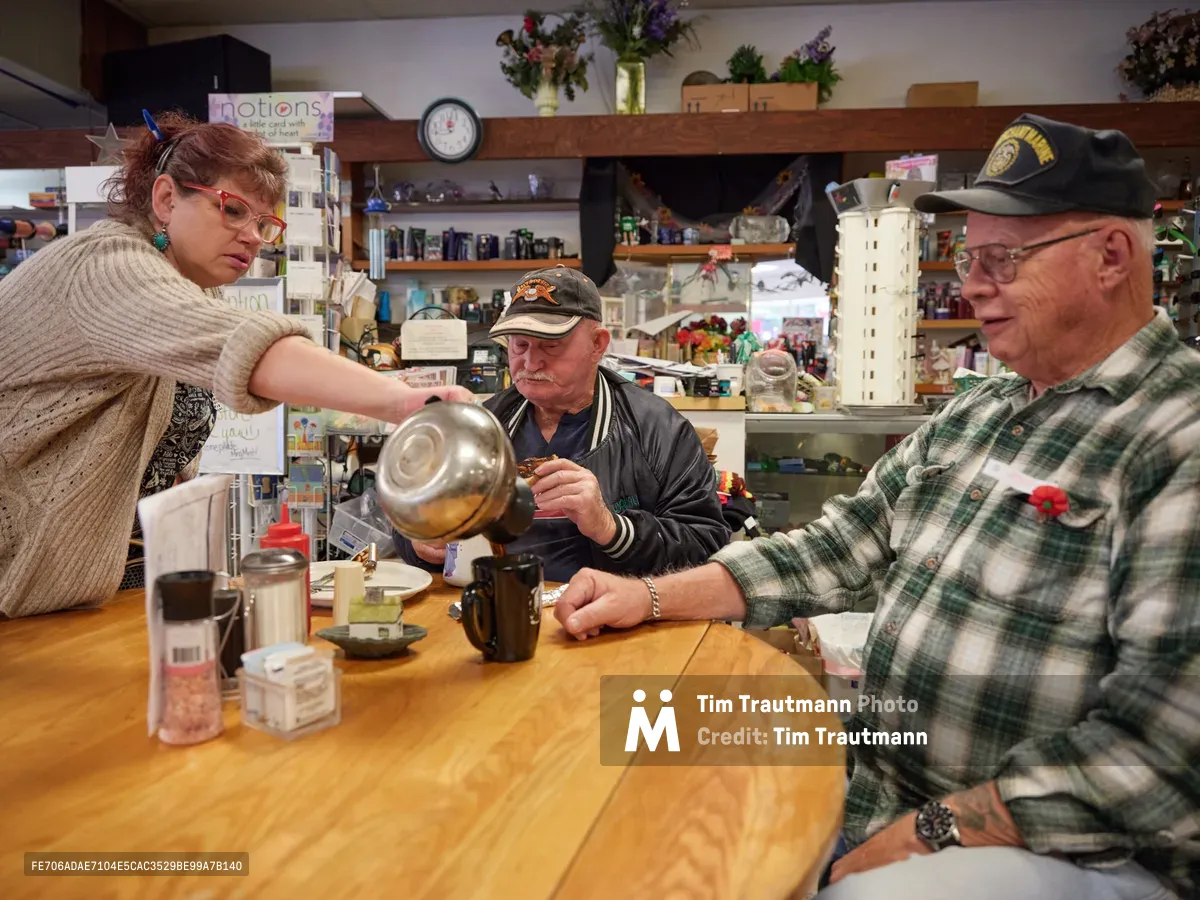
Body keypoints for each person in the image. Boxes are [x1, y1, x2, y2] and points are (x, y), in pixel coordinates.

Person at [552, 114, 1200, 899]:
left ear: (1111, 255)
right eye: (970, 258)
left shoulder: (1176, 436)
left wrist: (930, 835)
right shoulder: (980, 410)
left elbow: (1158, 752)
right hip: (887, 776)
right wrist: (649, 595)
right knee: (644, 778)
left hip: (1074, 847)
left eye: (1003, 259)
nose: (970, 285)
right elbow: (838, 546)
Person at [0, 112, 471, 619]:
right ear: (165, 199)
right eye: (232, 210)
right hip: (18, 591)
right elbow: (249, 347)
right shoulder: (105, 266)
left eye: (264, 223)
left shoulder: (179, 287)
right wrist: (401, 400)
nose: (251, 236)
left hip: (102, 593)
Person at [395, 265, 730, 582]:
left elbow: (706, 545)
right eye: (519, 344)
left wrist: (610, 527)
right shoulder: (482, 425)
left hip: (615, 621)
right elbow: (409, 518)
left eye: (550, 345)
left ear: (597, 344)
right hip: (500, 606)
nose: (530, 361)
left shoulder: (658, 429)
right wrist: (422, 544)